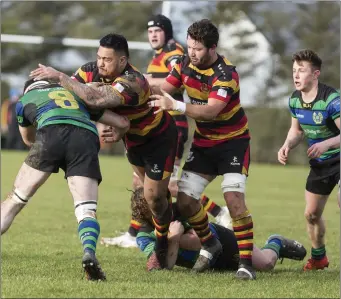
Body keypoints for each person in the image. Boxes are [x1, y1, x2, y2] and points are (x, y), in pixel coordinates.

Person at [30, 33, 179, 271]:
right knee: (151, 196)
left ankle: (161, 246)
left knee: (153, 196)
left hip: (158, 138)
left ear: (122, 61)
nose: (100, 64)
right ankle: (176, 224)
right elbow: (73, 94)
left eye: (107, 60)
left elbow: (93, 98)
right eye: (99, 57)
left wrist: (59, 76)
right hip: (133, 140)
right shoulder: (90, 70)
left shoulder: (134, 81)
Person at [102, 15, 231, 248]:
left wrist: (140, 80)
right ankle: (136, 231)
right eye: (149, 31)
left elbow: (172, 80)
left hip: (171, 125)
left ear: (168, 33)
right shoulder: (159, 55)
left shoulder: (173, 51)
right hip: (155, 125)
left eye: (158, 31)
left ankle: (217, 212)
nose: (153, 35)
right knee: (145, 183)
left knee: (164, 184)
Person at [148, 19, 255, 279]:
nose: (191, 52)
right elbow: (162, 90)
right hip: (205, 144)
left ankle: (246, 264)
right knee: (184, 200)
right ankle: (210, 243)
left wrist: (176, 105)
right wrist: (129, 87)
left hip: (233, 143)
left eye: (197, 48)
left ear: (212, 48)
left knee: (233, 199)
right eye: (189, 46)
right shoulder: (184, 64)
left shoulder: (226, 74)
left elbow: (210, 111)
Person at [1, 78, 130, 281]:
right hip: (85, 138)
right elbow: (122, 122)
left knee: (16, 199)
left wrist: (47, 154)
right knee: (86, 209)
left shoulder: (25, 100)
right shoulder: (77, 95)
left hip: (49, 134)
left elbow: (27, 139)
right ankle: (89, 252)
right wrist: (117, 134)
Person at [130, 187, 307, 272]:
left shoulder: (180, 211)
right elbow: (162, 266)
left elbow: (198, 241)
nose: (165, 209)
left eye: (164, 203)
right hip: (209, 263)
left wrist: (173, 240)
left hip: (221, 240)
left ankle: (276, 242)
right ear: (146, 215)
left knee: (266, 265)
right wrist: (174, 238)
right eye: (157, 207)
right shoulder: (144, 237)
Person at [277, 49, 340, 271]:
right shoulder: (294, 100)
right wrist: (287, 145)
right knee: (311, 214)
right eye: (294, 71)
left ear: (316, 74)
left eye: (301, 71)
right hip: (320, 164)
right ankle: (319, 257)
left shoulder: (331, 100)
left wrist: (325, 144)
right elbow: (296, 131)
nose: (296, 75)